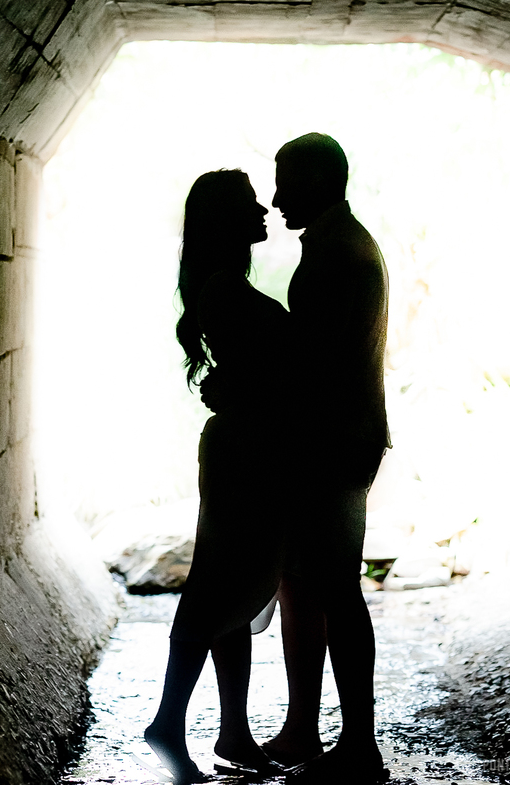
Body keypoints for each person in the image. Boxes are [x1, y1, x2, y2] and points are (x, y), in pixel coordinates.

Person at [143, 169, 291, 784]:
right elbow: (262, 378)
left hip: (248, 446)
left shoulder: (223, 286)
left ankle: (232, 730)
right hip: (247, 452)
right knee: (218, 590)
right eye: (248, 203)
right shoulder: (226, 291)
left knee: (233, 588)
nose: (264, 208)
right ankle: (169, 724)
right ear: (224, 221)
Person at [260, 133, 392, 785]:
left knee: (335, 588)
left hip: (333, 444)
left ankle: (360, 745)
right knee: (304, 581)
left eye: (287, 181)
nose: (276, 196)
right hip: (332, 438)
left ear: (323, 181)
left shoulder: (340, 255)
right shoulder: (338, 245)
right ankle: (304, 727)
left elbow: (317, 365)